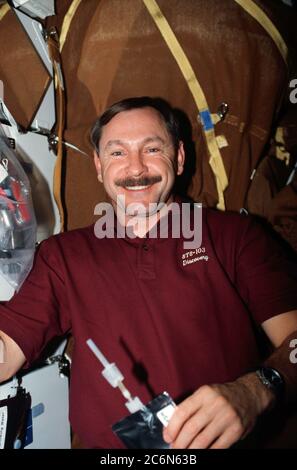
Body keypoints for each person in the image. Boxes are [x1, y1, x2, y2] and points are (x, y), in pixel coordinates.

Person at [0, 97, 297, 449]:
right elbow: (5, 353)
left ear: (180, 156)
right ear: (98, 165)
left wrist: (256, 388)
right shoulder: (65, 256)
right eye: (117, 153)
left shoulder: (236, 237)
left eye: (152, 148)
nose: (136, 168)